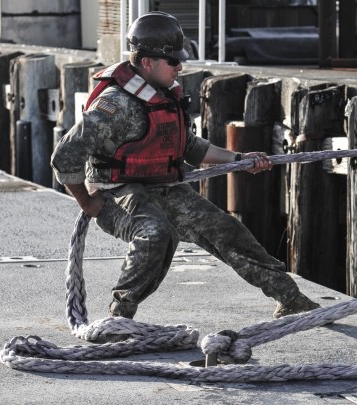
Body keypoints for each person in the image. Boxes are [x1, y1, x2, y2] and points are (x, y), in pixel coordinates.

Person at [51, 11, 320, 323]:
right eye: (173, 62)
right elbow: (64, 156)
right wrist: (87, 201)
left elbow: (189, 147)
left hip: (162, 188)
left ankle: (290, 298)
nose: (180, 67)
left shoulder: (165, 96)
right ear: (147, 62)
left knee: (227, 230)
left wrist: (239, 159)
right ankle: (119, 316)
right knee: (155, 233)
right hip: (116, 193)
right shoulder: (114, 105)